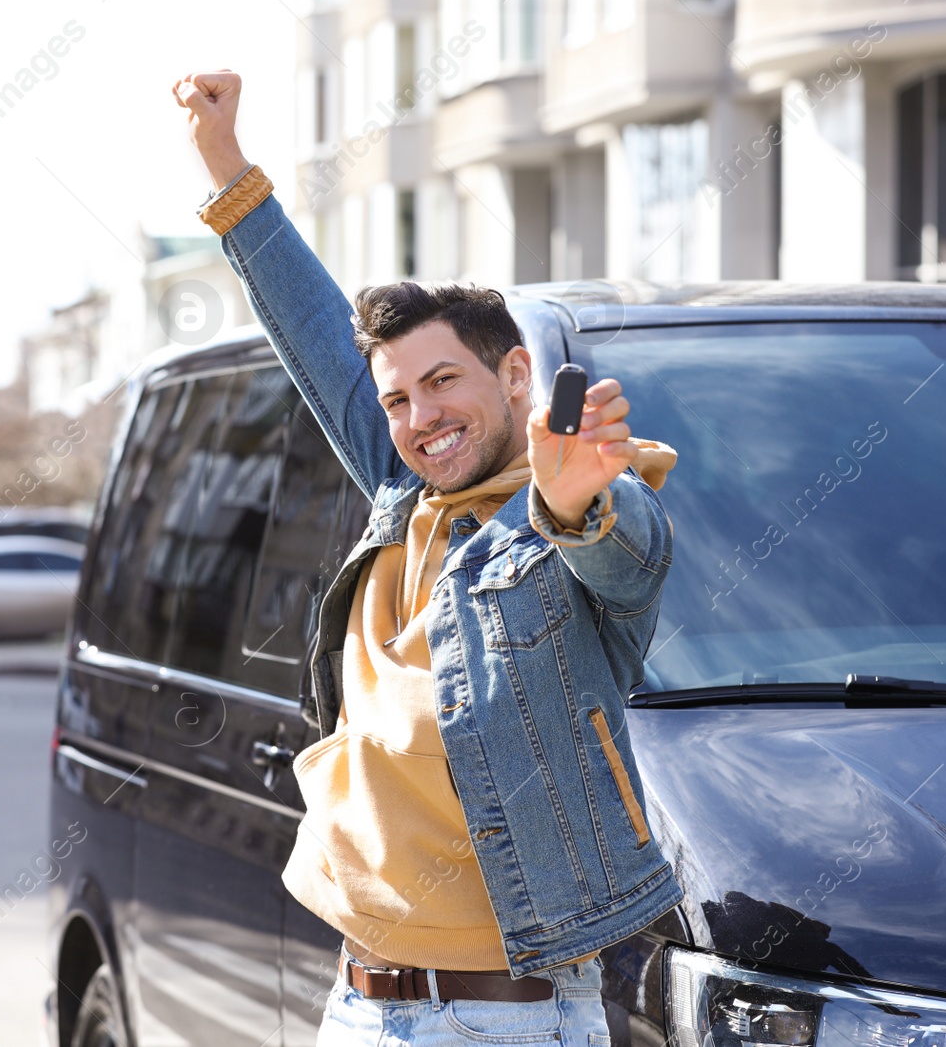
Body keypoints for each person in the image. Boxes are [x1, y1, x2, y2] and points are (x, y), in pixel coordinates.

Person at [172, 69, 684, 1046]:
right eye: (398, 399)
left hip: (509, 1019)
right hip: (361, 1000)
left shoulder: (572, 516)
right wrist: (226, 166)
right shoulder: (406, 493)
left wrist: (573, 504)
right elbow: (315, 331)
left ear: (516, 374)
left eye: (444, 380)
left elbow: (630, 560)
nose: (420, 416)